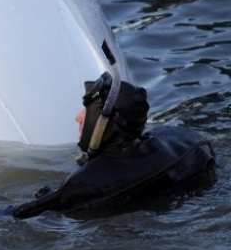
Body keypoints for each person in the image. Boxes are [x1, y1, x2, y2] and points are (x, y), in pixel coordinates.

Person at [12, 72, 216, 219]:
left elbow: (18, 214)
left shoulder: (82, 183)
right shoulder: (183, 139)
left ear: (104, 122)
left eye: (87, 109)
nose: (78, 117)